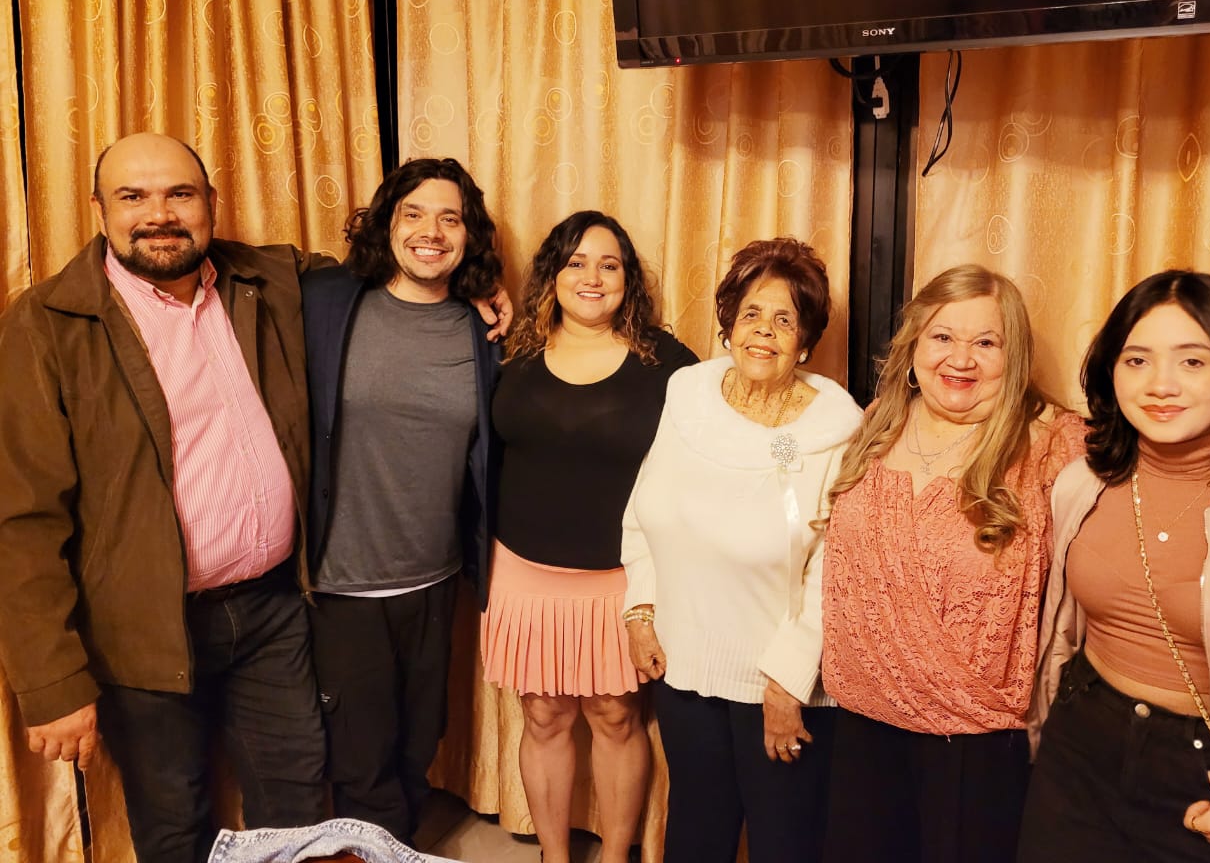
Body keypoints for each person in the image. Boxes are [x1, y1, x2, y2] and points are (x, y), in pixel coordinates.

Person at [0, 132, 328, 863]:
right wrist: (51, 683)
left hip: (273, 611)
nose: (159, 215)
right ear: (99, 210)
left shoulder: (265, 278)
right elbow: (21, 520)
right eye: (133, 196)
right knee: (173, 823)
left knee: (298, 812)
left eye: (180, 194)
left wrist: (472, 288)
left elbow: (382, 270)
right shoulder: (45, 323)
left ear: (212, 203)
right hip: (138, 631)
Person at [821, 263, 1087, 863]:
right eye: (943, 336)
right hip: (860, 729)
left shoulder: (1051, 445)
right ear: (915, 343)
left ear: (1013, 356)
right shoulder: (878, 423)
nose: (960, 359)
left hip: (976, 747)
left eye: (986, 343)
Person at [1019, 271, 1210, 863]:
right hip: (1079, 745)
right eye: (1137, 360)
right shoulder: (1082, 482)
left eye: (1192, 361)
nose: (1161, 385)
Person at [621, 237, 862, 863]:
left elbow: (833, 571)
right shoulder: (688, 397)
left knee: (785, 843)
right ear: (728, 324)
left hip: (779, 685)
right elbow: (646, 510)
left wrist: (788, 680)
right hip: (684, 667)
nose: (764, 331)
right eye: (752, 313)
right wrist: (640, 610)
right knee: (695, 835)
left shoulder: (835, 430)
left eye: (784, 319)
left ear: (805, 342)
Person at [480, 211, 698, 863]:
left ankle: (615, 855)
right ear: (553, 274)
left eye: (609, 264)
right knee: (544, 716)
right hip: (523, 572)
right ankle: (554, 856)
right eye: (576, 262)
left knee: (616, 716)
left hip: (622, 580)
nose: (592, 277)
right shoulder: (511, 353)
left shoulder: (667, 363)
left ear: (629, 280)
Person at [301, 157, 504, 847]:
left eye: (450, 218)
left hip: (435, 579)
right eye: (413, 213)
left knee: (419, 743)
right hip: (343, 583)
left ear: (469, 235)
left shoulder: (482, 331)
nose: (431, 232)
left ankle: (394, 849)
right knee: (361, 758)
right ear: (387, 222)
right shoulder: (328, 301)